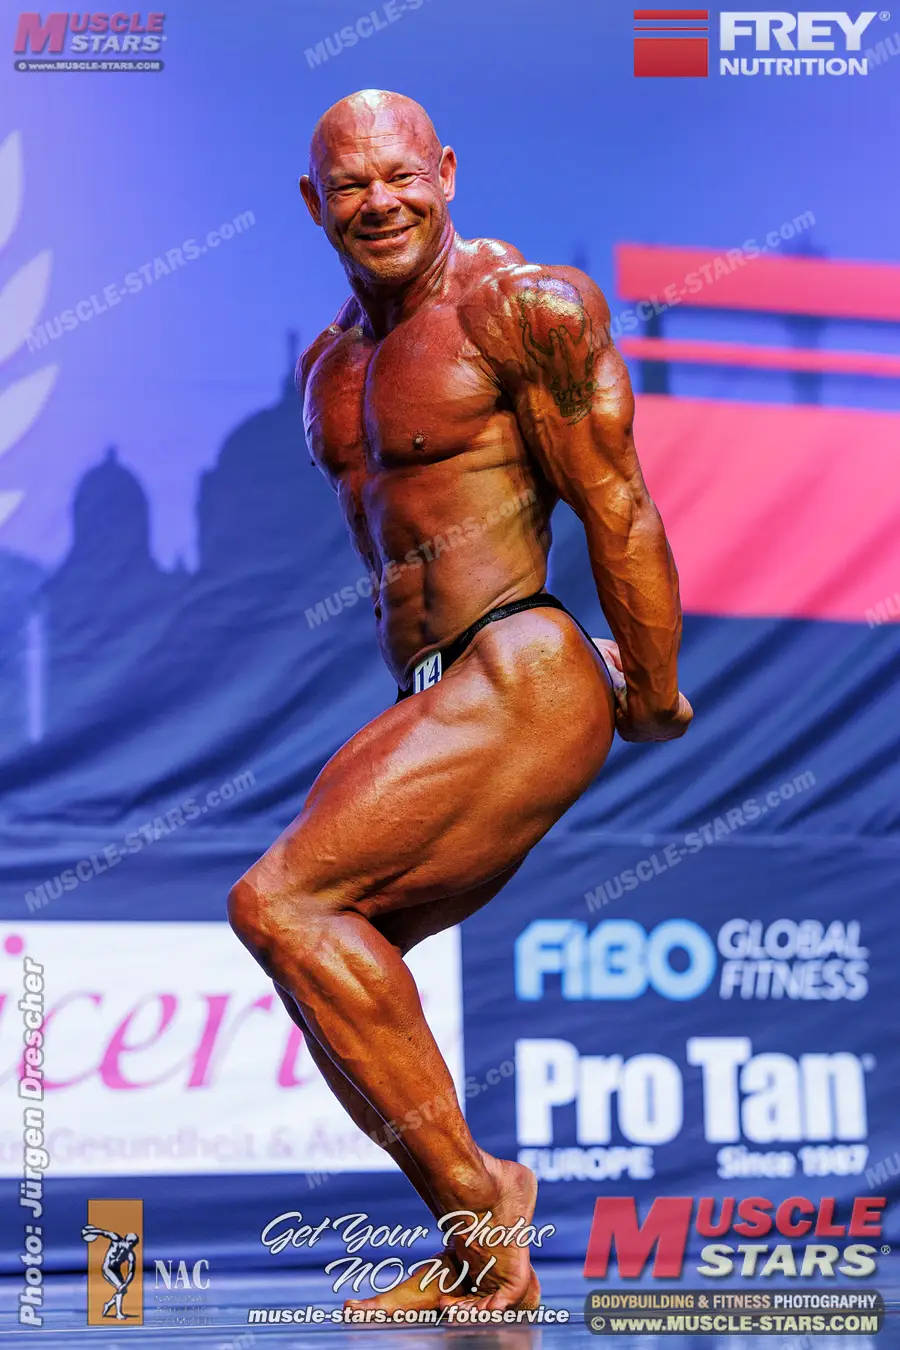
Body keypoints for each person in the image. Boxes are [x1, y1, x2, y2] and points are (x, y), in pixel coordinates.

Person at [228, 88, 692, 1313]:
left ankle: (485, 1201)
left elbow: (618, 503)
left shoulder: (522, 308)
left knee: (279, 899)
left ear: (444, 169)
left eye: (400, 176)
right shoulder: (330, 367)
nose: (378, 202)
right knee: (326, 956)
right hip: (433, 690)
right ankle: (478, 1237)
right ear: (314, 203)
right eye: (350, 185)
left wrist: (652, 692)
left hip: (521, 665)